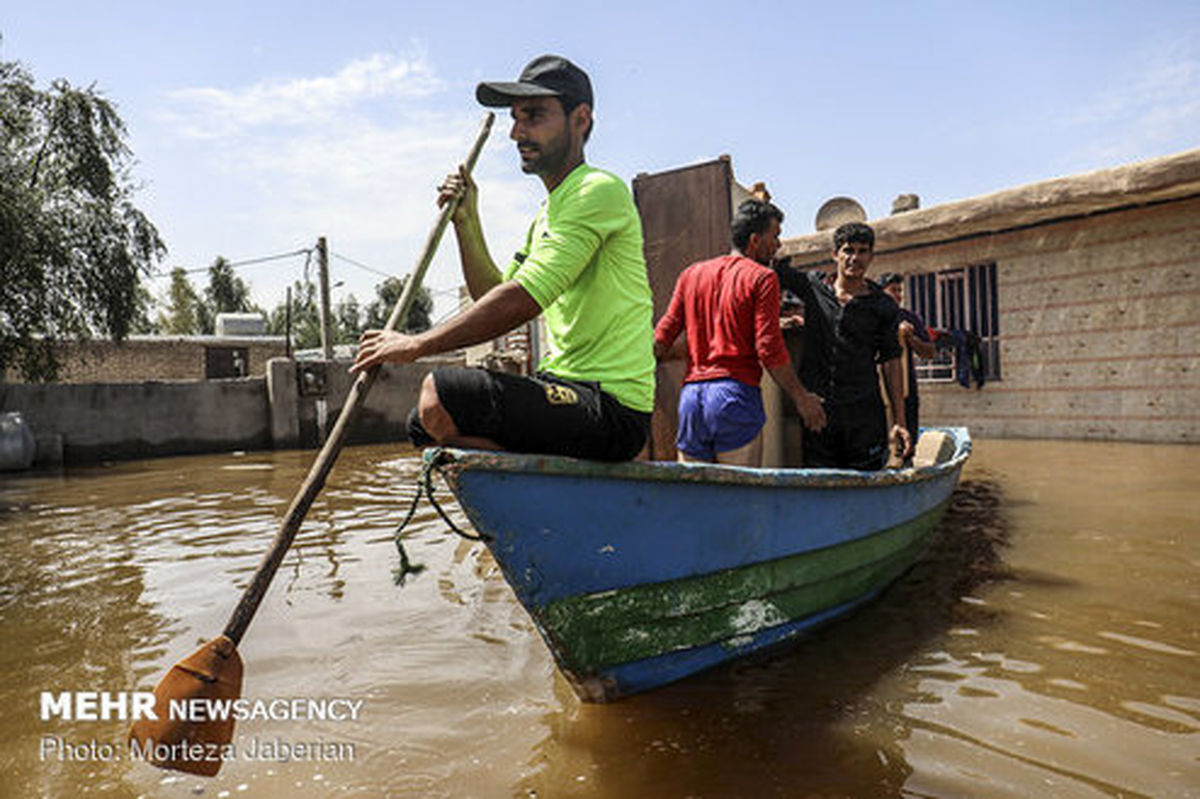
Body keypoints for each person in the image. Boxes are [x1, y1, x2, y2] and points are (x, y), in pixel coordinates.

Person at [351, 55, 655, 461]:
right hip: (565, 388)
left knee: (440, 395)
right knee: (422, 424)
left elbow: (523, 299)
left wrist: (417, 344)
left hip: (612, 407)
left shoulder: (597, 190)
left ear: (580, 120)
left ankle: (545, 486)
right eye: (514, 119)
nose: (516, 132)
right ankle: (539, 491)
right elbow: (492, 293)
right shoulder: (548, 213)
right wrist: (467, 220)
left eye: (533, 116)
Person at [653, 199, 825, 465]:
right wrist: (801, 398)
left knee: (694, 498)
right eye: (775, 236)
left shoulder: (691, 274)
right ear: (755, 240)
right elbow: (768, 349)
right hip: (734, 398)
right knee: (738, 498)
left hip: (691, 401)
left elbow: (663, 335)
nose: (778, 245)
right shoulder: (763, 278)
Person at [773, 222, 911, 470]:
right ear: (834, 254)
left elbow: (891, 362)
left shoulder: (883, 306)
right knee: (819, 486)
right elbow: (775, 269)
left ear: (871, 256)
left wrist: (899, 420)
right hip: (819, 414)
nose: (854, 258)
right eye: (848, 250)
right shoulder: (813, 287)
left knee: (865, 486)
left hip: (864, 414)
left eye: (862, 251)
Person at [880, 272, 935, 460]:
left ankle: (906, 470)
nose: (897, 295)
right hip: (878, 390)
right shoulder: (872, 319)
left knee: (908, 443)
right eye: (892, 291)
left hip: (906, 388)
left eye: (899, 291)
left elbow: (929, 352)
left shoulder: (909, 319)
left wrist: (912, 339)